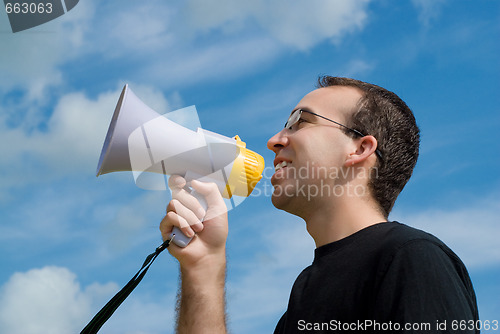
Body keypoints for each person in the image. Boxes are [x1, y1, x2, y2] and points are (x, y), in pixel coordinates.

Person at [159, 76, 479, 333]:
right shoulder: (306, 292)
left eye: (300, 121)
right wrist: (204, 268)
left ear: (359, 148)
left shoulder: (411, 257)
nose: (274, 140)